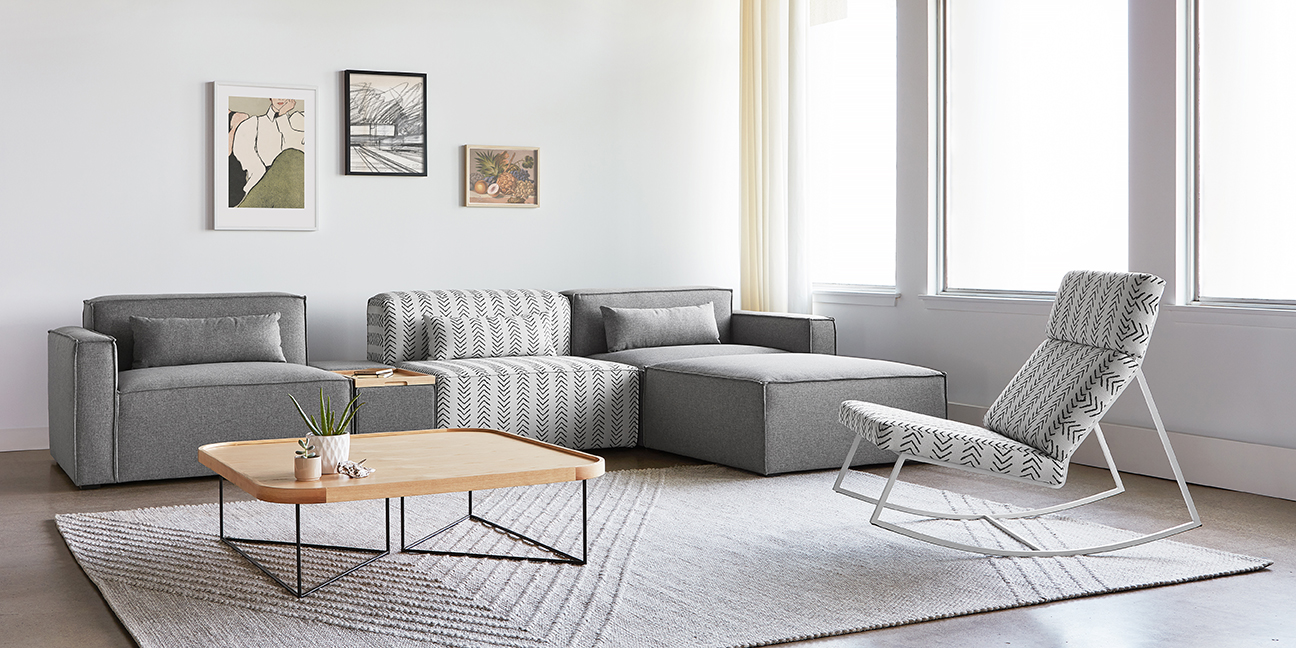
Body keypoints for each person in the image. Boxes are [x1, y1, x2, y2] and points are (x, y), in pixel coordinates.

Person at [231, 98, 305, 207]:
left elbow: (298, 155)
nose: (280, 98)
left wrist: (283, 117)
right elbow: (246, 159)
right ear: (270, 98)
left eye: (284, 95)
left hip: (293, 190)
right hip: (260, 187)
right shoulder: (253, 123)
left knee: (290, 156)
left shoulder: (298, 121)